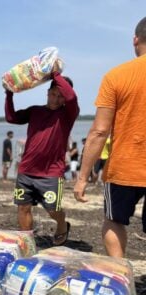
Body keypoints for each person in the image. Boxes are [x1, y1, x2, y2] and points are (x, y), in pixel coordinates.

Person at [74, 16, 146, 258]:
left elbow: (99, 131)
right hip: (126, 167)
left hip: (124, 167)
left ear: (136, 40)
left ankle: (120, 275)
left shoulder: (116, 76)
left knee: (114, 221)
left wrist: (83, 177)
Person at [5, 63, 79, 246]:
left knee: (53, 209)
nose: (55, 99)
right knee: (23, 208)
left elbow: (71, 96)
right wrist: (9, 94)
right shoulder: (35, 111)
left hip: (51, 173)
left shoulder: (68, 114)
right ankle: (27, 243)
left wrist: (55, 74)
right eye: (53, 94)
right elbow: (11, 118)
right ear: (47, 93)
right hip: (26, 170)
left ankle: (62, 225)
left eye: (60, 96)